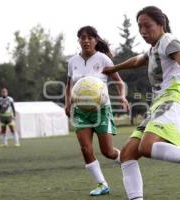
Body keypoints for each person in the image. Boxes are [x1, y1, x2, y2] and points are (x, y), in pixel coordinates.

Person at [103, 6, 180, 200]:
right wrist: (113, 68)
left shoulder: (168, 40)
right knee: (127, 155)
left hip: (172, 100)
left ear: (161, 24)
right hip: (158, 104)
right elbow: (138, 60)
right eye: (140, 27)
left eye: (147, 26)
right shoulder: (154, 48)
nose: (143, 31)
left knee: (146, 147)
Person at [65, 26, 128, 196]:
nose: (85, 40)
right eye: (82, 38)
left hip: (101, 109)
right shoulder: (72, 62)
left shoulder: (104, 60)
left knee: (107, 151)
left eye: (89, 37)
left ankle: (128, 162)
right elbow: (69, 86)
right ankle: (102, 184)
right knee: (85, 149)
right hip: (80, 111)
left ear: (95, 40)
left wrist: (122, 97)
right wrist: (67, 103)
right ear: (78, 41)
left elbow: (119, 82)